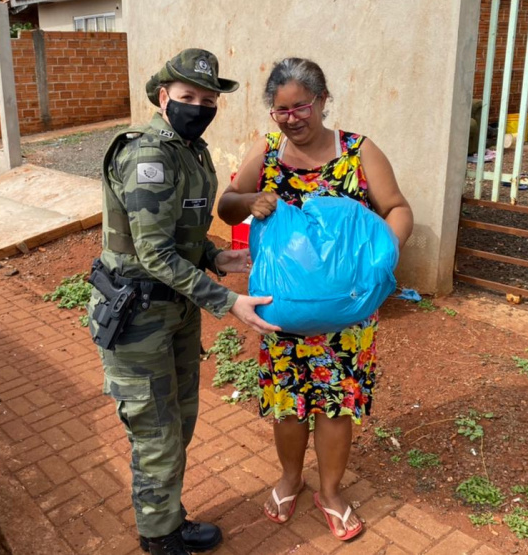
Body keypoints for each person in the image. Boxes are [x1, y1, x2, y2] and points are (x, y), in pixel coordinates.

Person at [87, 48, 280, 555]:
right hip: (137, 317)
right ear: (163, 96)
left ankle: (168, 517)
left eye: (208, 99)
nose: (199, 106)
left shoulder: (191, 151)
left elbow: (182, 235)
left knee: (180, 421)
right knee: (157, 435)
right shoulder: (148, 156)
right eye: (187, 96)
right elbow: (153, 252)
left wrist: (217, 257)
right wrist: (229, 301)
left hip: (175, 310)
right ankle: (159, 538)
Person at [217, 58, 413, 541]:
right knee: (288, 404)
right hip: (282, 314)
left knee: (336, 406)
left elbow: (396, 208)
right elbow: (227, 205)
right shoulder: (267, 152)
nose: (292, 119)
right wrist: (250, 201)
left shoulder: (358, 151)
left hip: (347, 317)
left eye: (301, 107)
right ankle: (290, 478)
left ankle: (330, 491)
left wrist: (383, 256)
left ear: (323, 100)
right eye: (281, 111)